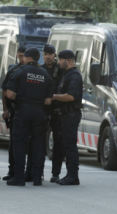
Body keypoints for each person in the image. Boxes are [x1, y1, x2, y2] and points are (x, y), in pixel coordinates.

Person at [5, 48, 52, 186]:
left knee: (19, 143)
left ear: (26, 57)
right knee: (38, 144)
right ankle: (37, 178)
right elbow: (48, 101)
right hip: (40, 113)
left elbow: (9, 94)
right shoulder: (46, 75)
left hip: (23, 111)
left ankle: (19, 177)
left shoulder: (19, 72)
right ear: (38, 58)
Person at [52, 50, 83, 185]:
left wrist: (53, 97)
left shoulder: (74, 76)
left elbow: (71, 96)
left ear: (68, 60)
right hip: (65, 115)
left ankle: (73, 176)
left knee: (70, 146)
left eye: (60, 60)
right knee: (65, 145)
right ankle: (69, 174)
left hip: (70, 114)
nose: (58, 63)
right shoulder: (67, 74)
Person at [1, 46, 26, 181]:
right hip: (14, 111)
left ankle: (26, 173)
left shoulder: (34, 71)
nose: (21, 58)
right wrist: (5, 109)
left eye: (24, 56)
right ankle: (12, 171)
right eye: (20, 55)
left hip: (27, 112)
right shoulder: (13, 70)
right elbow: (5, 92)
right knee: (14, 143)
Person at [42, 44, 64, 183]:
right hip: (43, 110)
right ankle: (37, 171)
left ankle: (55, 173)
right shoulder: (40, 70)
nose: (48, 56)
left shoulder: (60, 71)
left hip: (57, 110)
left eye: (50, 54)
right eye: (46, 54)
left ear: (54, 55)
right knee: (38, 141)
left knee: (58, 143)